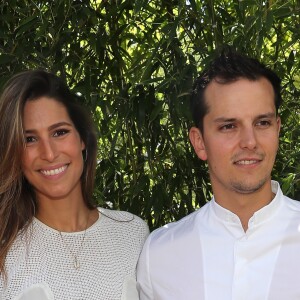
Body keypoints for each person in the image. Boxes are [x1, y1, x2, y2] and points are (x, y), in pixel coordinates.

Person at [137, 48, 300, 299]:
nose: (250, 141)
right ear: (199, 141)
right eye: (228, 126)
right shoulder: (159, 256)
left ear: (277, 129)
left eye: (262, 123)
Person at [0, 70, 149, 300]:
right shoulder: (6, 259)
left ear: (82, 139)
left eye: (59, 132)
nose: (49, 153)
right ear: (15, 154)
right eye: (29, 139)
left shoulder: (133, 233)